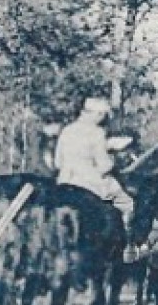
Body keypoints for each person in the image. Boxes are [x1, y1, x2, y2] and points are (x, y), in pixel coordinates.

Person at [53, 96, 135, 227]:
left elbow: (57, 162)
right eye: (102, 115)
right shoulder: (97, 132)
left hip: (65, 182)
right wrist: (114, 157)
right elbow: (104, 165)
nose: (102, 119)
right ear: (97, 114)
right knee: (128, 203)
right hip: (90, 184)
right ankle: (129, 239)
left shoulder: (66, 130)